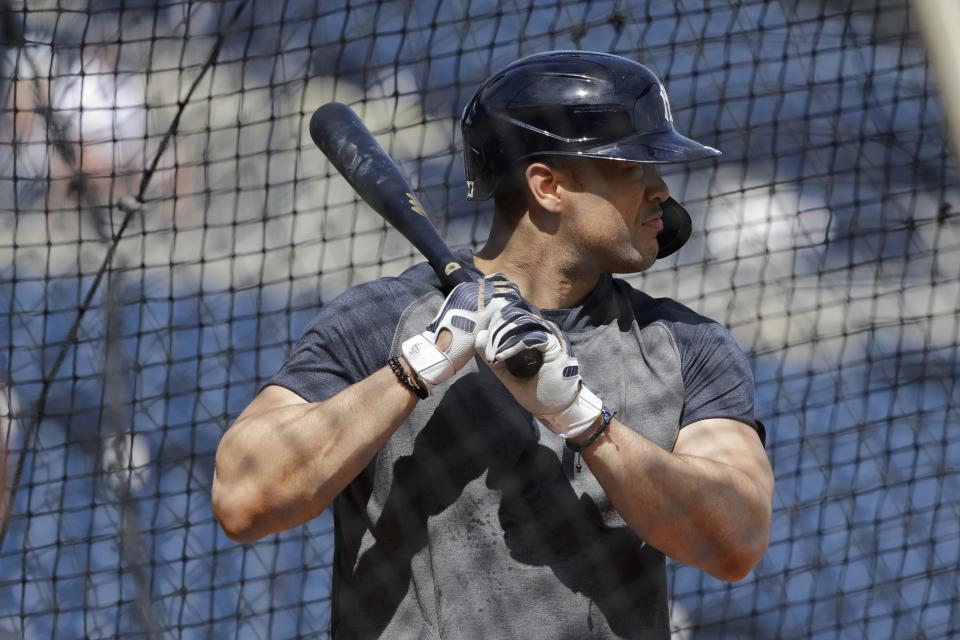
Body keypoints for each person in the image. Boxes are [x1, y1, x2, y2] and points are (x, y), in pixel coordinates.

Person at [211, 50, 774, 639]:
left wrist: (582, 418)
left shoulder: (687, 346)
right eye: (631, 168)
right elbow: (244, 497)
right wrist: (419, 366)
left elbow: (736, 541)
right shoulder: (382, 320)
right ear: (548, 185)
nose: (660, 189)